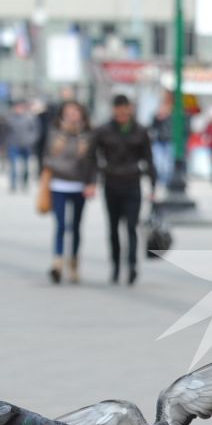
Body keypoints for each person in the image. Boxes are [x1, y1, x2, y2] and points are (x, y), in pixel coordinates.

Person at [93, 92, 155, 285]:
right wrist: (93, 178)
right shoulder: (103, 130)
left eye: (125, 109)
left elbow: (149, 159)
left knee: (131, 227)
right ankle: (115, 266)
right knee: (112, 228)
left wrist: (153, 186)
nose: (121, 113)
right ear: (113, 110)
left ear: (129, 109)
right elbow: (91, 156)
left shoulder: (140, 130)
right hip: (111, 182)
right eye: (118, 110)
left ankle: (132, 266)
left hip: (132, 183)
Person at [43, 100, 97, 283]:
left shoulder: (88, 135)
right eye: (69, 112)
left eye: (76, 112)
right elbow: (49, 156)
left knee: (76, 226)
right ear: (63, 114)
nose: (73, 116)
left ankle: (73, 263)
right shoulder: (55, 132)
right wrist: (65, 135)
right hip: (59, 184)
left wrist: (92, 182)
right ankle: (57, 263)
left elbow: (92, 161)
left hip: (79, 185)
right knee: (60, 225)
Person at [2, 100, 39, 191]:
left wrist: (31, 140)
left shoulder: (29, 118)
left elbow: (35, 130)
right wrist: (5, 143)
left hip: (26, 144)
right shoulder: (9, 119)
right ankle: (13, 185)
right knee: (13, 166)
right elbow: (4, 132)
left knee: (26, 166)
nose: (18, 109)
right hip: (13, 144)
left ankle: (25, 183)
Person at [148, 96, 176, 187]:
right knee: (159, 162)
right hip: (159, 141)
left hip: (169, 141)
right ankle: (160, 179)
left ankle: (167, 180)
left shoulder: (173, 116)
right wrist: (158, 118)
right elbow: (152, 127)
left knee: (168, 163)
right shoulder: (157, 117)